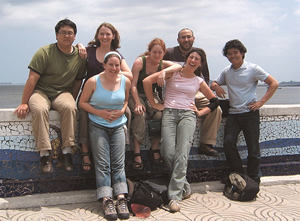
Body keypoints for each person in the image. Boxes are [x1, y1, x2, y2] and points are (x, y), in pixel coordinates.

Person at [143, 48, 219, 212]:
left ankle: (174, 197)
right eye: (191, 57)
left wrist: (200, 112)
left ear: (200, 63)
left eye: (197, 59)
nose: (193, 60)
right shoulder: (173, 73)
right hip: (169, 113)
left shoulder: (198, 81)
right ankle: (185, 186)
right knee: (168, 152)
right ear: (187, 58)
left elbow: (214, 101)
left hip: (188, 115)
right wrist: (155, 104)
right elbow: (147, 81)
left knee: (182, 153)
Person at [14, 18, 87, 173]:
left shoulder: (80, 57)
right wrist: (23, 102)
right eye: (63, 33)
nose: (66, 36)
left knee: (69, 107)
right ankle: (44, 154)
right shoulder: (44, 52)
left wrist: (71, 98)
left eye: (70, 33)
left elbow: (78, 81)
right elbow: (32, 79)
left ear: (75, 36)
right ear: (56, 35)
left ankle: (67, 152)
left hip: (63, 92)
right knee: (39, 109)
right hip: (41, 91)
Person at [210, 39, 279, 184]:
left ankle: (254, 179)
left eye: (235, 52)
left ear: (242, 53)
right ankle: (238, 174)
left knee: (253, 148)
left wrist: (261, 102)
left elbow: (273, 83)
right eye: (229, 54)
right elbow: (214, 83)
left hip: (249, 113)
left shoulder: (253, 69)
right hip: (234, 114)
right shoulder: (227, 71)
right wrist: (216, 86)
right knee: (228, 144)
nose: (232, 56)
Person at [79, 52, 131, 220]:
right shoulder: (93, 81)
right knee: (103, 163)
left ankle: (121, 197)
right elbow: (82, 103)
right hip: (98, 125)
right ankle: (106, 199)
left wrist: (122, 111)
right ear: (104, 65)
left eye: (117, 65)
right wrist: (100, 113)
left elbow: (125, 101)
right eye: (111, 65)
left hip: (118, 126)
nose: (114, 68)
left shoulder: (125, 81)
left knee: (119, 162)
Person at [77, 22, 132, 171]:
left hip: (112, 94)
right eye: (102, 34)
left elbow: (129, 74)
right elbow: (73, 50)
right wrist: (79, 45)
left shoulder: (116, 56)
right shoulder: (89, 51)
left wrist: (112, 73)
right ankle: (85, 151)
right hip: (91, 95)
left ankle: (124, 147)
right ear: (97, 36)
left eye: (108, 34)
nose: (105, 37)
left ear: (113, 36)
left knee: (127, 112)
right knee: (83, 112)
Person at [163, 28, 222, 157]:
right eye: (183, 37)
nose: (186, 40)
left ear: (193, 38)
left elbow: (205, 77)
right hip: (175, 91)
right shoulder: (169, 53)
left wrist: (201, 106)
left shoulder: (198, 54)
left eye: (188, 37)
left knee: (216, 109)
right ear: (178, 40)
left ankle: (206, 143)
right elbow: (157, 66)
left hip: (194, 90)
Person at [128, 38, 182, 171]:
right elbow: (133, 85)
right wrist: (137, 103)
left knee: (160, 115)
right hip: (137, 95)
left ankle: (155, 148)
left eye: (160, 53)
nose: (157, 55)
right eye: (154, 52)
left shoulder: (162, 64)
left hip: (152, 96)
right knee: (140, 115)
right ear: (149, 52)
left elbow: (180, 66)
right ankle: (137, 152)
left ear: (164, 53)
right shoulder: (140, 62)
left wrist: (163, 72)